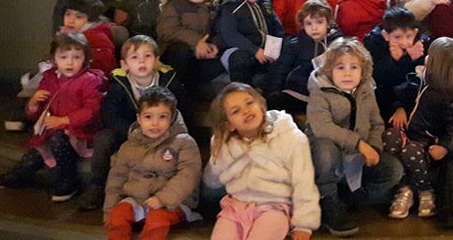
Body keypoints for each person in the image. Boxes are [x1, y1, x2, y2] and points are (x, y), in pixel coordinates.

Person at [0, 33, 107, 202]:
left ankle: (68, 179)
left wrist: (64, 121)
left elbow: (91, 110)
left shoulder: (90, 80)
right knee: (35, 154)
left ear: (85, 59)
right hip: (52, 129)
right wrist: (33, 104)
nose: (69, 62)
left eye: (76, 57)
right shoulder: (50, 78)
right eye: (63, 57)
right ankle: (21, 174)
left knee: (57, 140)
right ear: (54, 59)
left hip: (79, 132)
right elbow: (40, 112)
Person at [306, 37, 403, 237]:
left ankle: (346, 199)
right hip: (332, 152)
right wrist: (359, 144)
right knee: (324, 148)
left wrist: (374, 147)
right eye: (340, 67)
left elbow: (376, 123)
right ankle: (329, 198)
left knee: (393, 170)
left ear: (363, 70)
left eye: (354, 67)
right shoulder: (320, 90)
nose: (348, 73)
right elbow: (322, 127)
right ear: (330, 70)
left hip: (358, 155)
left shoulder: (366, 89)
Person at [79, 35, 188, 212]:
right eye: (135, 57)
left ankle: (168, 190)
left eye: (147, 56)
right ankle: (97, 186)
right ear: (124, 64)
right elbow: (110, 115)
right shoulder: (119, 86)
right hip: (129, 132)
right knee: (103, 138)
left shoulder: (169, 82)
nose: (141, 62)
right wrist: (132, 131)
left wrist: (168, 130)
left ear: (157, 60)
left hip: (163, 132)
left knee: (181, 144)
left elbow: (183, 108)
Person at [204, 83, 320, 240]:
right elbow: (213, 181)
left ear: (261, 104)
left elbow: (304, 182)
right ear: (229, 125)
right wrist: (222, 148)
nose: (246, 111)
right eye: (236, 111)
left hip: (274, 208)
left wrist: (304, 225)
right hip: (235, 207)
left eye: (250, 103)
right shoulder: (224, 143)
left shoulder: (291, 138)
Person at [382, 38, 453, 228]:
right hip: (408, 133)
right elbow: (397, 94)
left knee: (410, 152)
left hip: (426, 142)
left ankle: (423, 190)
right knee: (389, 136)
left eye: (431, 56)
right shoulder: (418, 80)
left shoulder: (447, 98)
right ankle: (403, 188)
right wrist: (399, 108)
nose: (426, 57)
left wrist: (445, 147)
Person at [103, 86, 201, 240]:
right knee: (117, 216)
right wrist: (110, 210)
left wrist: (162, 198)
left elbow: (188, 175)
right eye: (148, 117)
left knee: (157, 220)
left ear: (172, 117)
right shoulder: (129, 145)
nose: (155, 123)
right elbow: (116, 178)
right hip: (137, 197)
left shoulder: (184, 142)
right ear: (139, 118)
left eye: (162, 116)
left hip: (173, 201)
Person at [212, 0, 284, 88]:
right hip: (237, 50)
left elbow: (276, 27)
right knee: (240, 57)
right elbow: (230, 35)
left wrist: (272, 50)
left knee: (285, 51)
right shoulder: (230, 6)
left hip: (263, 51)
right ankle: (243, 91)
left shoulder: (265, 3)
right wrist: (254, 50)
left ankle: (271, 92)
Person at [266, 0, 343, 115]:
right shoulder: (295, 45)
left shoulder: (338, 44)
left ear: (328, 22)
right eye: (309, 23)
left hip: (328, 93)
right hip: (299, 92)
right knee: (276, 102)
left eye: (319, 22)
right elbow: (280, 70)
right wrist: (274, 91)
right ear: (302, 25)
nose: (314, 27)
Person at [156, 0, 219, 96]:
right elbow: (168, 30)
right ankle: (176, 91)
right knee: (180, 52)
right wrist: (197, 42)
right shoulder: (173, 5)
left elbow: (219, 29)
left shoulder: (213, 7)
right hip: (177, 53)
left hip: (202, 55)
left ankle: (194, 89)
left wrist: (214, 45)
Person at [364, 7, 428, 120]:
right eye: (397, 37)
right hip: (385, 97)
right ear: (386, 35)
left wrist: (417, 61)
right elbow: (377, 80)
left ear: (415, 32)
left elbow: (417, 80)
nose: (404, 42)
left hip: (411, 96)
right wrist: (393, 60)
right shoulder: (374, 45)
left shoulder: (421, 44)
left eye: (408, 36)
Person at [58, 0, 117, 73]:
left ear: (90, 20)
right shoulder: (66, 34)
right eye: (68, 14)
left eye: (78, 17)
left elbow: (100, 72)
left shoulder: (98, 39)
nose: (70, 20)